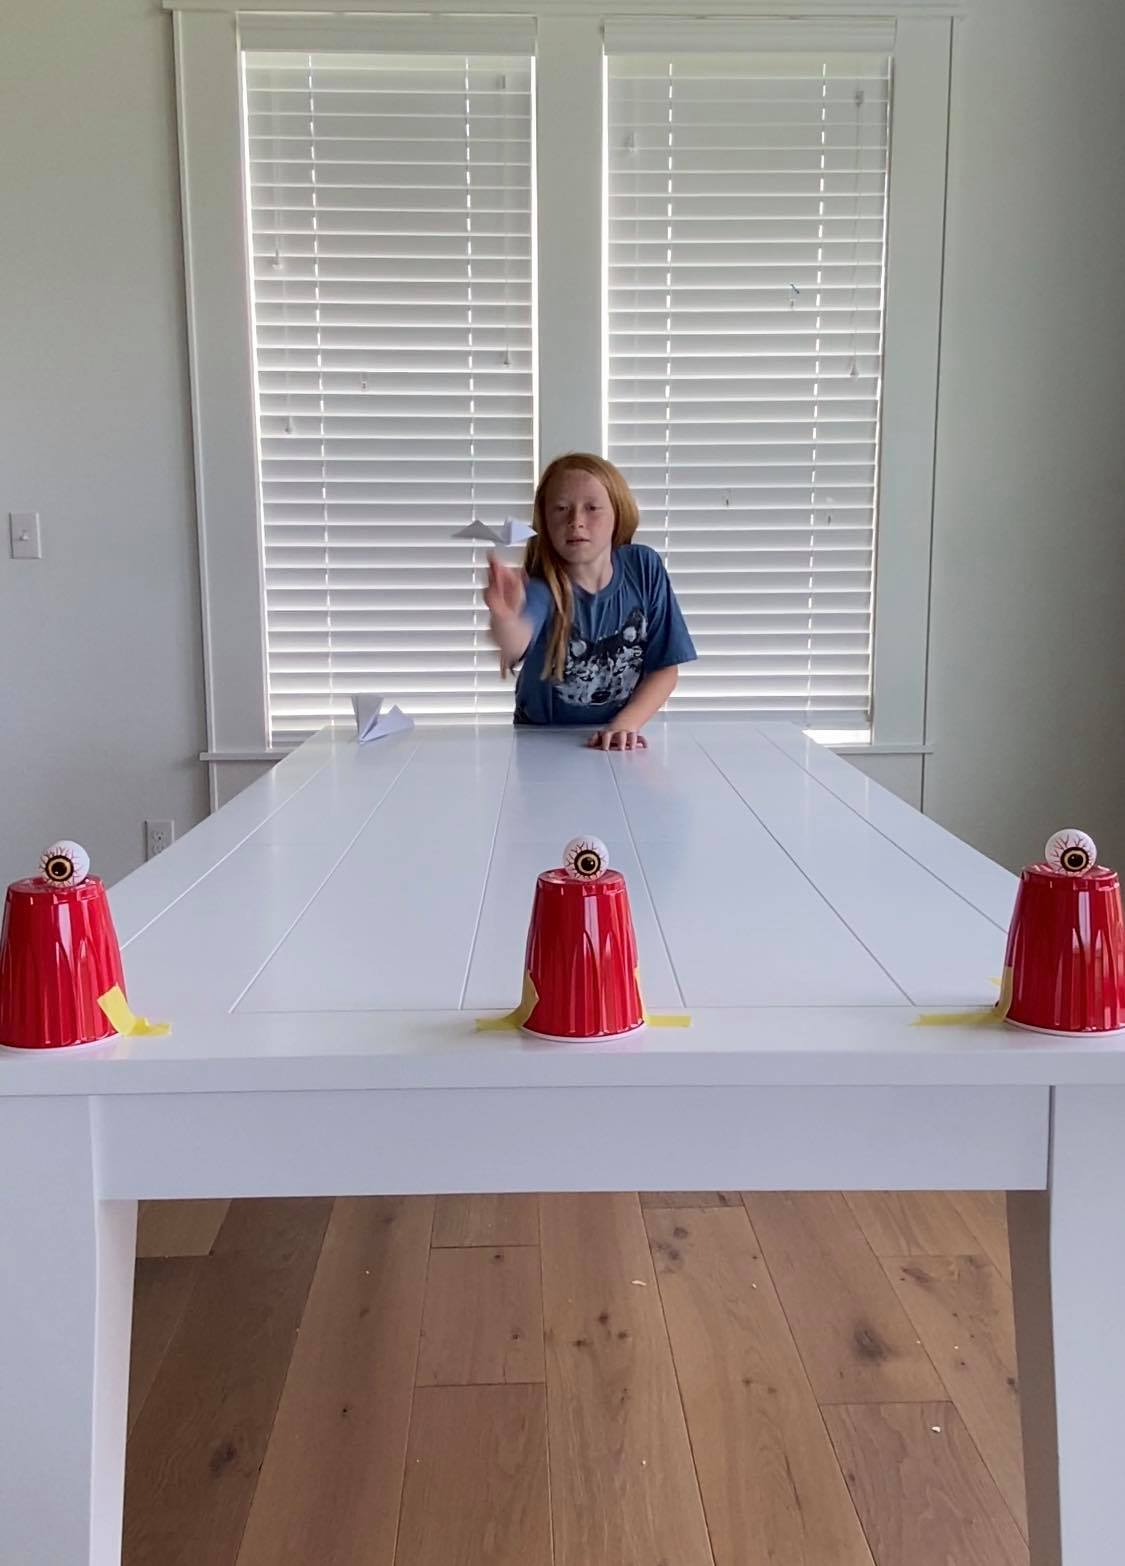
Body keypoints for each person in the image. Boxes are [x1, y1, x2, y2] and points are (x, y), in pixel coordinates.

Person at [484, 453, 696, 749]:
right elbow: (515, 641)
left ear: (617, 514)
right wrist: (504, 618)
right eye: (560, 509)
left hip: (616, 737)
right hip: (541, 741)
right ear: (544, 521)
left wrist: (624, 726)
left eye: (592, 508)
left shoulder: (644, 568)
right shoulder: (542, 585)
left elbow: (665, 668)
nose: (576, 522)